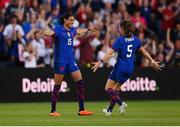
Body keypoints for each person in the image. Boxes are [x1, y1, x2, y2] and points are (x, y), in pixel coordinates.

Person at [91, 20, 162, 116]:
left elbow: (110, 53)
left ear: (123, 29)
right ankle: (109, 111)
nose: (119, 29)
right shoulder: (135, 39)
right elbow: (144, 52)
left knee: (108, 88)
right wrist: (152, 61)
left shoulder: (120, 40)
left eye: (120, 27)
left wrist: (100, 62)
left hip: (120, 67)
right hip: (130, 69)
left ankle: (121, 104)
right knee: (115, 90)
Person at [41, 12, 100, 117]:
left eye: (73, 20)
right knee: (57, 86)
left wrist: (89, 29)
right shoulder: (58, 29)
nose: (72, 22)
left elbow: (78, 31)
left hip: (71, 61)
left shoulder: (72, 30)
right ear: (65, 20)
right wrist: (46, 32)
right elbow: (51, 33)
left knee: (81, 83)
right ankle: (53, 110)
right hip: (60, 61)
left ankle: (81, 110)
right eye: (70, 20)